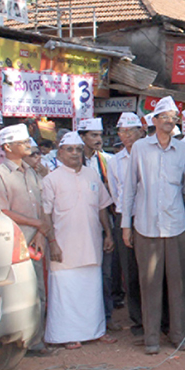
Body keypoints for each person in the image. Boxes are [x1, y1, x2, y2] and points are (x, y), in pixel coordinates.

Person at [121, 96, 185, 355]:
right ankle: (151, 338)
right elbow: (130, 189)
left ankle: (178, 335)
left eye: (173, 117)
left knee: (177, 285)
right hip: (145, 226)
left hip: (176, 224)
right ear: (153, 121)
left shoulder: (184, 151)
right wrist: (126, 225)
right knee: (150, 284)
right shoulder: (140, 149)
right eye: (164, 117)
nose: (169, 121)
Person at [41, 132, 118, 350]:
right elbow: (45, 214)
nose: (75, 153)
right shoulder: (51, 180)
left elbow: (102, 207)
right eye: (70, 149)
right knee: (66, 291)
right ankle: (67, 335)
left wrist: (109, 234)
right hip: (63, 246)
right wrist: (52, 242)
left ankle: (95, 331)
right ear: (60, 152)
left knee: (91, 289)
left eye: (77, 149)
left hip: (91, 243)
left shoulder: (92, 175)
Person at [0, 123, 53, 356]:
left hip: (35, 240)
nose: (28, 146)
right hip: (13, 244)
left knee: (38, 292)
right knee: (17, 293)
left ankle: (36, 340)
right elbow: (2, 211)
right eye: (23, 143)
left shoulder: (31, 172)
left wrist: (41, 233)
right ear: (7, 146)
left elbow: (42, 204)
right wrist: (38, 226)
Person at [78, 117, 121, 326]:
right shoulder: (71, 160)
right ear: (82, 137)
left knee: (106, 273)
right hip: (79, 224)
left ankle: (106, 317)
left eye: (100, 135)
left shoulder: (107, 160)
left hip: (104, 222)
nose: (98, 140)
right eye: (93, 135)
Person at [108, 112, 145, 336]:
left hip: (149, 217)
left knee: (151, 271)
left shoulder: (150, 155)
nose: (127, 135)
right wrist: (125, 223)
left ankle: (159, 318)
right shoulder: (114, 161)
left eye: (131, 131)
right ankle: (138, 320)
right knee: (130, 272)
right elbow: (116, 194)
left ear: (141, 131)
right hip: (126, 218)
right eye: (123, 131)